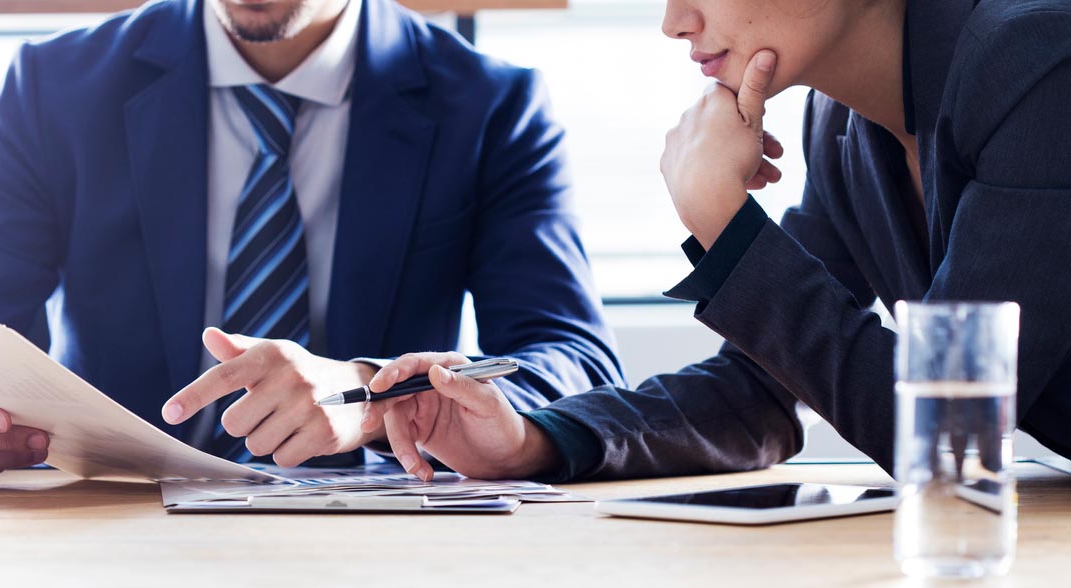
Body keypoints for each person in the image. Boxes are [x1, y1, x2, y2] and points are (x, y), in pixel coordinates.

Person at [0, 0, 625, 489]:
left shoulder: (492, 105)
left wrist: (375, 396)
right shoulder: (53, 86)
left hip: (380, 534)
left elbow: (573, 361)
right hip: (112, 538)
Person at [362, 0, 1071, 482]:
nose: (674, 20)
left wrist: (727, 225)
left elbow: (949, 435)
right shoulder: (843, 129)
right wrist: (530, 439)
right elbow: (761, 389)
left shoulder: (1039, 62)